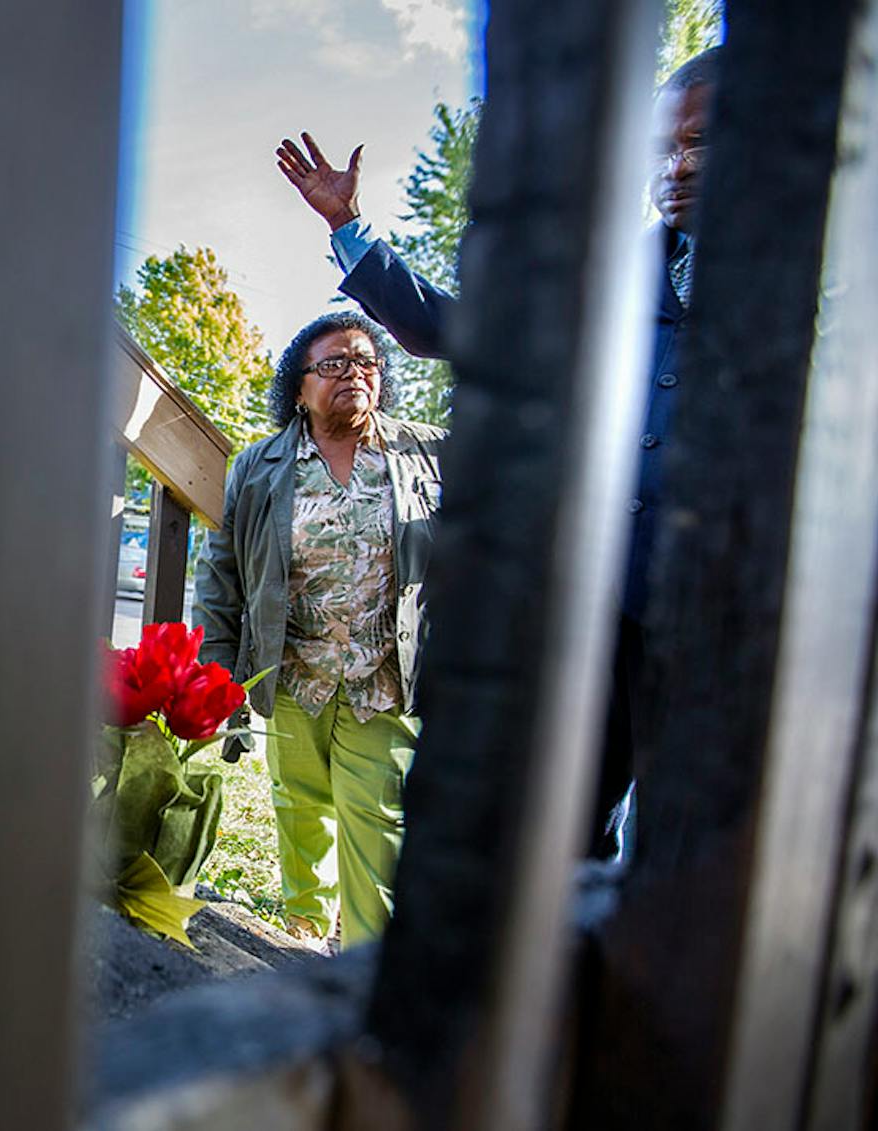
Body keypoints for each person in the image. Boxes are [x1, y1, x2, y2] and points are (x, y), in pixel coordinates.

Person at [276, 48, 723, 859]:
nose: (677, 167)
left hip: (724, 624)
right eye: (661, 149)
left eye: (703, 143)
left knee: (686, 858)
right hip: (603, 616)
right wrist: (348, 228)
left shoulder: (822, 279)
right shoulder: (610, 280)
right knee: (566, 834)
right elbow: (447, 327)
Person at [193, 311, 444, 950]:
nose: (353, 374)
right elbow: (221, 574)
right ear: (298, 388)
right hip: (290, 675)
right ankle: (299, 949)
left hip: (382, 684)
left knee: (379, 829)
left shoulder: (424, 454)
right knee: (300, 815)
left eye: (366, 362)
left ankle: (364, 975)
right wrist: (219, 670)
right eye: (333, 364)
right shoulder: (258, 466)